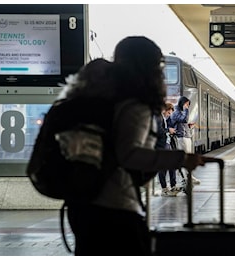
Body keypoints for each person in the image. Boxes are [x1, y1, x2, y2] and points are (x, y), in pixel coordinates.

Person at [64, 36, 206, 256]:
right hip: (114, 203)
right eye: (159, 66)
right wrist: (181, 159)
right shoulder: (133, 104)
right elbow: (129, 154)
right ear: (148, 67)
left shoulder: (97, 96)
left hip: (81, 201)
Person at [170, 96, 201, 185]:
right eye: (187, 104)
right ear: (182, 103)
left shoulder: (180, 112)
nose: (187, 106)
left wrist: (189, 126)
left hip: (186, 136)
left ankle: (188, 177)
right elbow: (184, 119)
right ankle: (186, 178)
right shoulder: (176, 112)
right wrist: (186, 110)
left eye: (188, 105)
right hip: (181, 138)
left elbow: (183, 122)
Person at [155, 101, 179, 197]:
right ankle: (164, 189)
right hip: (162, 145)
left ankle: (173, 185)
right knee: (163, 167)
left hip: (167, 144)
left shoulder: (164, 118)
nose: (169, 115)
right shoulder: (158, 117)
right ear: (165, 110)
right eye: (169, 113)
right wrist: (168, 130)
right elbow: (158, 130)